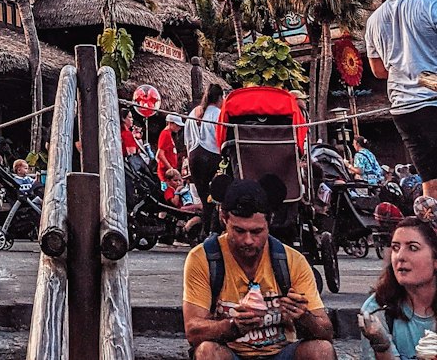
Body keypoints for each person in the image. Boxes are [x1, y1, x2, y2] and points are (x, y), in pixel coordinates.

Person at [183, 178, 335, 360]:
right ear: (224, 219)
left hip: (280, 353)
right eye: (239, 231)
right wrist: (233, 326)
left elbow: (326, 331)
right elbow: (193, 331)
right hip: (230, 353)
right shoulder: (203, 259)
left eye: (256, 232)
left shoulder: (292, 260)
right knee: (207, 351)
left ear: (269, 223)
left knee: (322, 350)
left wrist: (304, 317)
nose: (248, 240)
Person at [365, 0, 437, 219]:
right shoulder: (430, 6)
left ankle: (432, 231)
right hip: (432, 100)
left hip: (403, 108)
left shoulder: (374, 19)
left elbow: (379, 70)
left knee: (430, 175)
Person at [359, 217, 437, 360]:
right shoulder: (376, 310)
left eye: (413, 248)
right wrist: (383, 348)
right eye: (395, 248)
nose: (400, 256)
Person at [186, 83, 226, 234]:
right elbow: (221, 139)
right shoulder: (218, 114)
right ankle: (211, 230)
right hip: (212, 156)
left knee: (204, 198)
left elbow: (188, 140)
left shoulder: (193, 113)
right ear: (220, 98)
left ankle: (204, 230)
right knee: (215, 197)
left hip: (194, 157)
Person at [157, 112, 185, 181]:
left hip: (169, 172)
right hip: (167, 174)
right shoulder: (165, 134)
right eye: (177, 125)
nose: (179, 128)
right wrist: (171, 169)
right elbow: (160, 154)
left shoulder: (169, 135)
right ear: (170, 123)